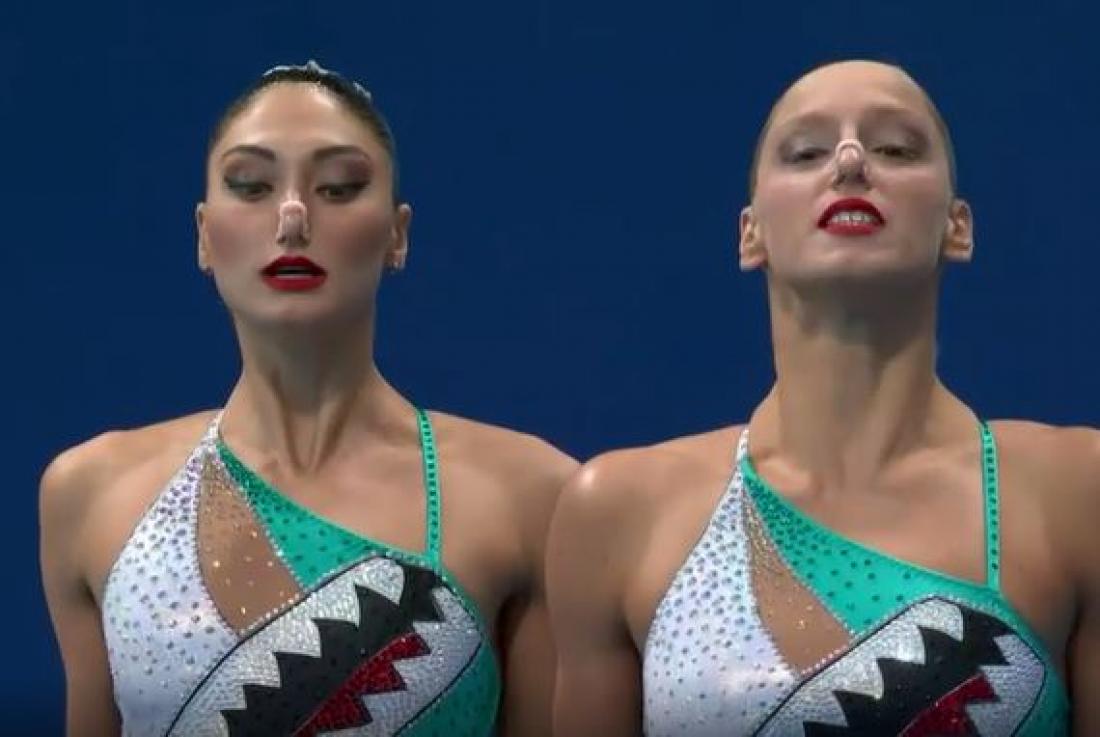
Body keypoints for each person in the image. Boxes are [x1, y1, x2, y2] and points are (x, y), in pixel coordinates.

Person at [547, 59, 1097, 736]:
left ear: (958, 227)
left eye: (896, 148)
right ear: (751, 232)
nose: (850, 160)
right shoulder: (620, 514)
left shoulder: (1074, 495)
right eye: (806, 152)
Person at [40, 61, 575, 737]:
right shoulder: (91, 494)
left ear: (398, 234)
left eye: (338, 187)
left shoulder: (526, 496)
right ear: (204, 234)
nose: (292, 216)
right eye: (251, 186)